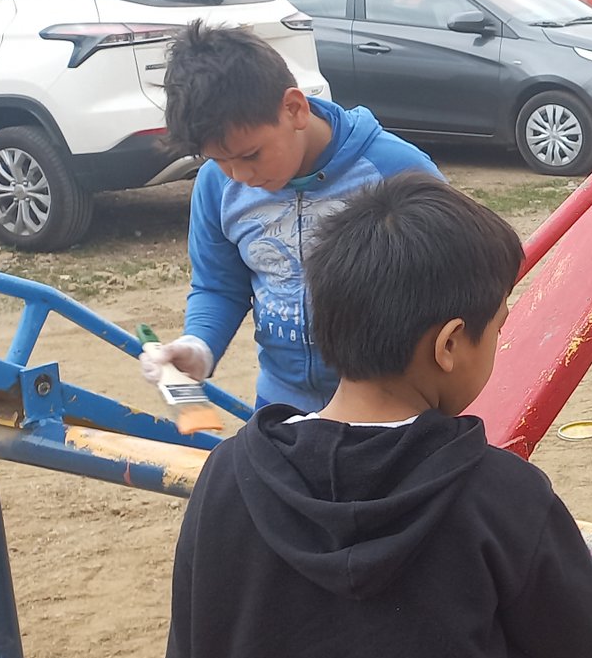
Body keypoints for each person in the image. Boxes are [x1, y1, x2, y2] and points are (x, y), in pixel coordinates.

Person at [153, 173, 592, 658]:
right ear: (448, 346)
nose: (500, 339)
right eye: (497, 325)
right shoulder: (498, 495)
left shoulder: (229, 476)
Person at [138, 21, 442, 411]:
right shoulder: (216, 185)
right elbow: (219, 286)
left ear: (294, 108)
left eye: (251, 155)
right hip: (282, 403)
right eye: (219, 159)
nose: (241, 176)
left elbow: (453, 288)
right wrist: (198, 345)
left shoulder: (396, 171)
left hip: (390, 407)